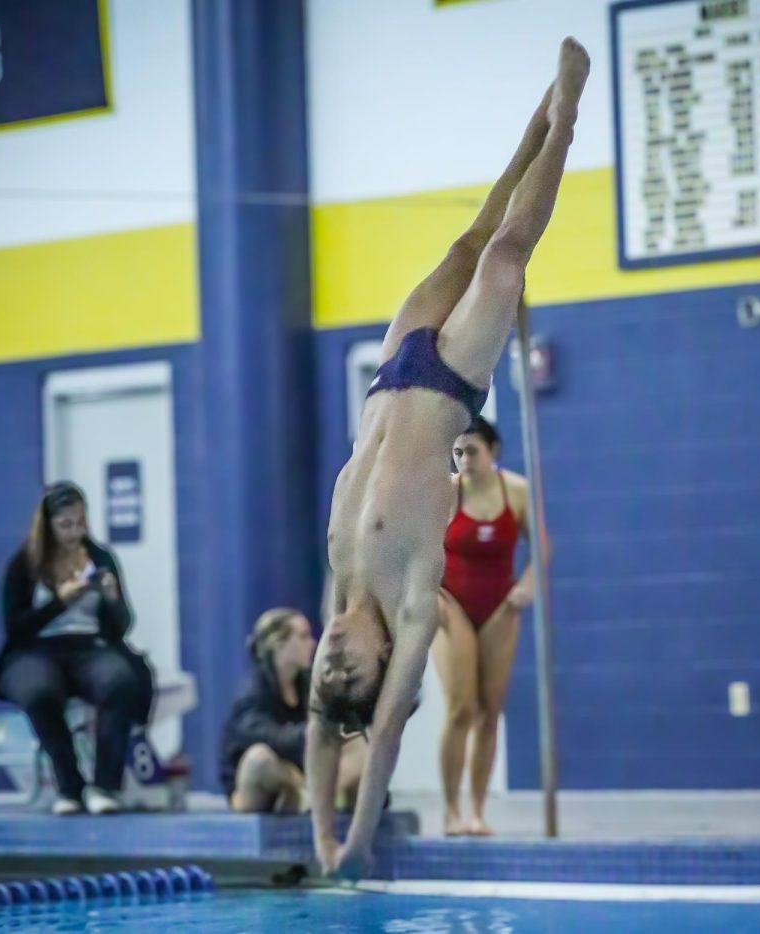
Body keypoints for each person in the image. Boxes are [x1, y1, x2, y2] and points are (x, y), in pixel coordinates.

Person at [307, 37, 589, 880]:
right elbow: (379, 733)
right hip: (449, 384)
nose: (327, 656)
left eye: (325, 663)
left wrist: (313, 835)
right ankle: (568, 118)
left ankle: (535, 119)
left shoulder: (339, 593)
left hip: (390, 373)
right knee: (505, 257)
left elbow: (322, 729)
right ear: (382, 662)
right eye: (344, 666)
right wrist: (353, 843)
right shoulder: (409, 604)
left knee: (470, 239)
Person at [0, 482, 154, 815]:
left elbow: (122, 625)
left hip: (89, 645)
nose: (74, 533)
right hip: (36, 648)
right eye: (65, 525)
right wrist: (60, 603)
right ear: (47, 524)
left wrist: (110, 598)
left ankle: (105, 785)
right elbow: (15, 628)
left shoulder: (100, 558)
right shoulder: (23, 564)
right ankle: (69, 785)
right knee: (38, 692)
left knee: (120, 682)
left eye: (80, 523)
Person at [435, 415, 548, 836]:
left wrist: (527, 585)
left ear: (493, 452)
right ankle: (450, 811)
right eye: (458, 452)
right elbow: (421, 546)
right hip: (453, 605)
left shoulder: (514, 491)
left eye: (473, 452)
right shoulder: (448, 491)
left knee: (489, 711)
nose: (465, 460)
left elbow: (542, 546)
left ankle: (476, 811)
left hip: (499, 606)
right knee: (461, 707)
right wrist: (430, 594)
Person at [220, 607, 366, 813]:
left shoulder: (308, 688)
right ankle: (309, 796)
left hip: (301, 778)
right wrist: (316, 731)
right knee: (259, 759)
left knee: (358, 743)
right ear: (279, 645)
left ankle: (314, 798)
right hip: (260, 785)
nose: (312, 644)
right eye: (303, 637)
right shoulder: (252, 696)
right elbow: (272, 738)